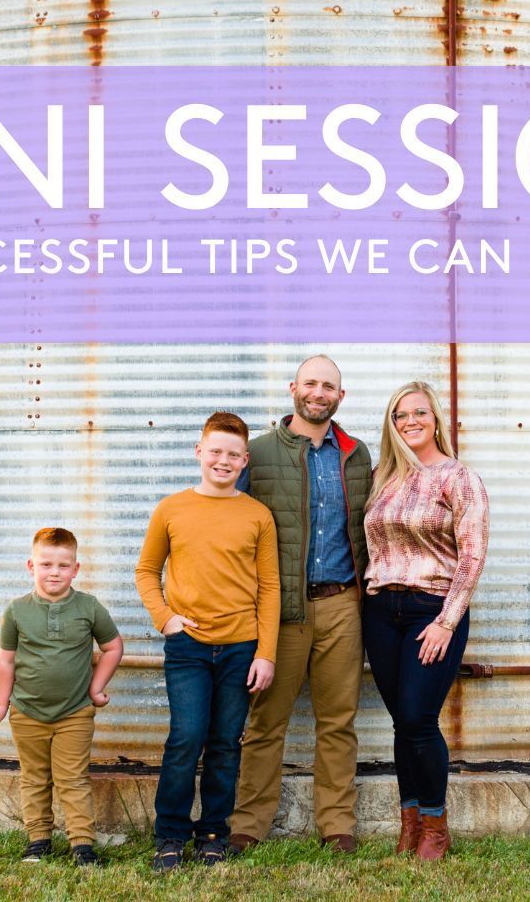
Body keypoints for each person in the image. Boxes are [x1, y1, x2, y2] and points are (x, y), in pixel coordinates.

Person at [229, 355, 372, 854]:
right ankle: (248, 824)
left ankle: (337, 826)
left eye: (328, 385)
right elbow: (232, 521)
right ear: (293, 388)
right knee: (266, 720)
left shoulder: (356, 455)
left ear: (340, 396)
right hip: (281, 609)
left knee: (338, 720)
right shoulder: (260, 452)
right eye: (310, 383)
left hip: (341, 604)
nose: (318, 392)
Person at [135, 411, 279, 872]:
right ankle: (170, 835)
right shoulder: (172, 508)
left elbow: (270, 587)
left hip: (241, 648)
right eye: (215, 451)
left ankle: (214, 832)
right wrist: (165, 619)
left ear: (245, 460)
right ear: (199, 452)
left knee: (225, 742)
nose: (223, 460)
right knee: (187, 736)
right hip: (188, 648)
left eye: (233, 454)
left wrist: (266, 653)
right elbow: (145, 571)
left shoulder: (257, 515)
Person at [362, 381, 488, 860]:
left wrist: (446, 622)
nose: (410, 422)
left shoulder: (458, 479)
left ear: (435, 418)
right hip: (381, 611)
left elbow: (472, 556)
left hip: (431, 610)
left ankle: (435, 827)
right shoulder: (382, 477)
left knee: (418, 718)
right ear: (391, 426)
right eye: (400, 416)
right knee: (400, 723)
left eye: (419, 413)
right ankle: (409, 822)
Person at [0, 526, 123, 866]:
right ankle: (38, 841)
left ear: (76, 569)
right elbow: (7, 660)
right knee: (35, 777)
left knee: (73, 778)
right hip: (27, 711)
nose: (54, 573)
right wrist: (2, 703)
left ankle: (82, 845)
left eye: (63, 566)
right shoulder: (16, 611)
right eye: (46, 565)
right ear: (31, 566)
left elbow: (113, 647)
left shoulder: (89, 607)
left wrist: (95, 688)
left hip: (75, 712)